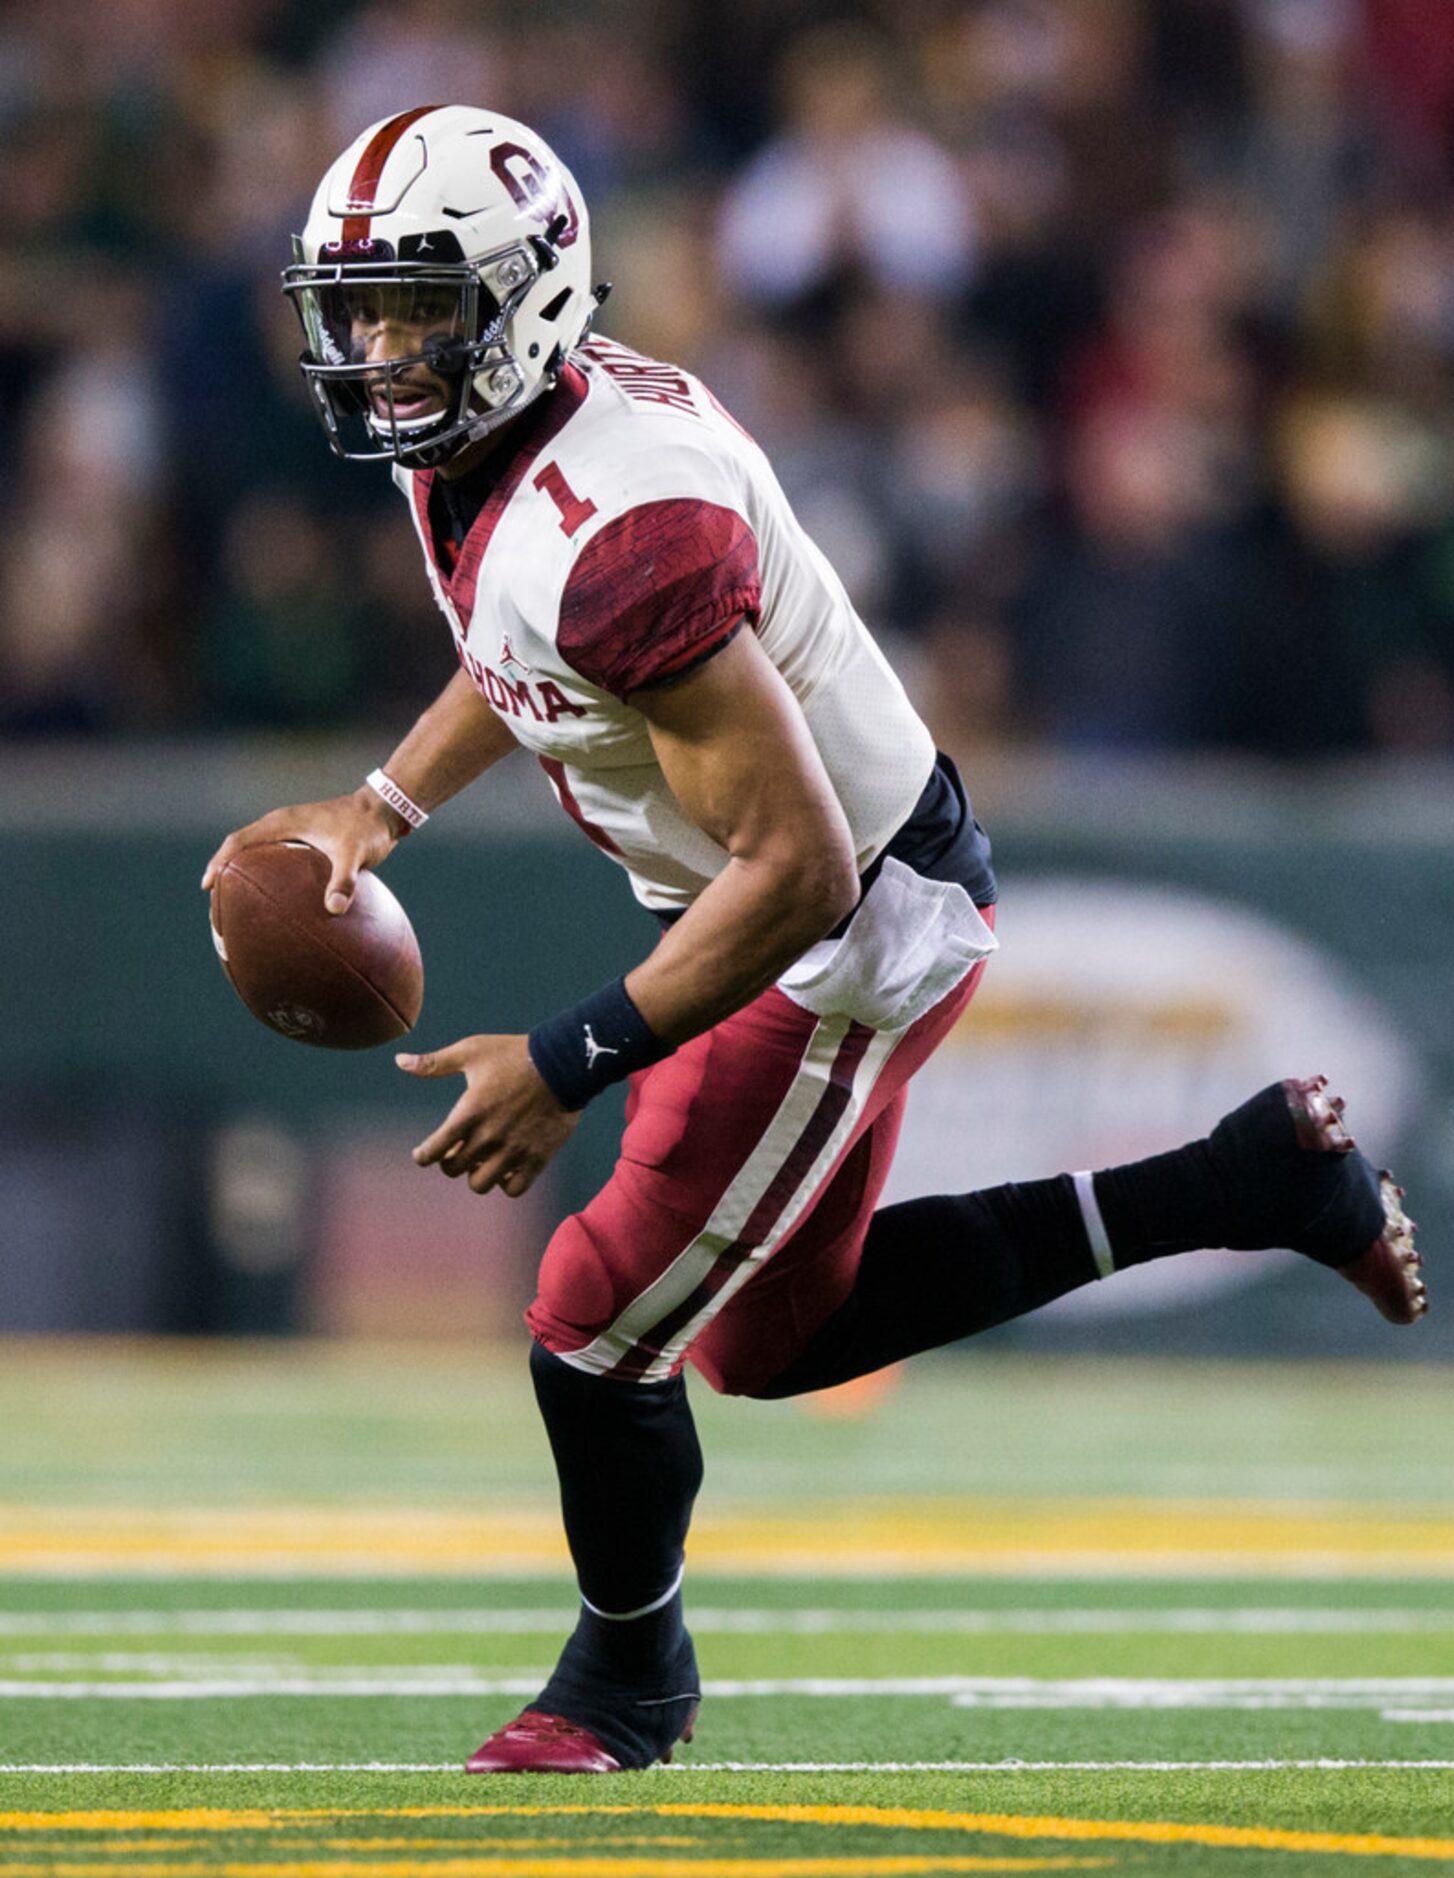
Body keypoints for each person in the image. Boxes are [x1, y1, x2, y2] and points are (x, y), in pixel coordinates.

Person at [203, 106, 1427, 1774]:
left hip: (840, 924)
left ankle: (627, 1682)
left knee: (590, 1311)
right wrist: (379, 804)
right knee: (769, 1338)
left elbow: (796, 868)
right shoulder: (500, 439)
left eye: (420, 308)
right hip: (748, 897)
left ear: (528, 295)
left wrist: (568, 1056)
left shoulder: (622, 525)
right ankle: (1247, 1178)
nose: (383, 352)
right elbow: (520, 653)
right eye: (361, 310)